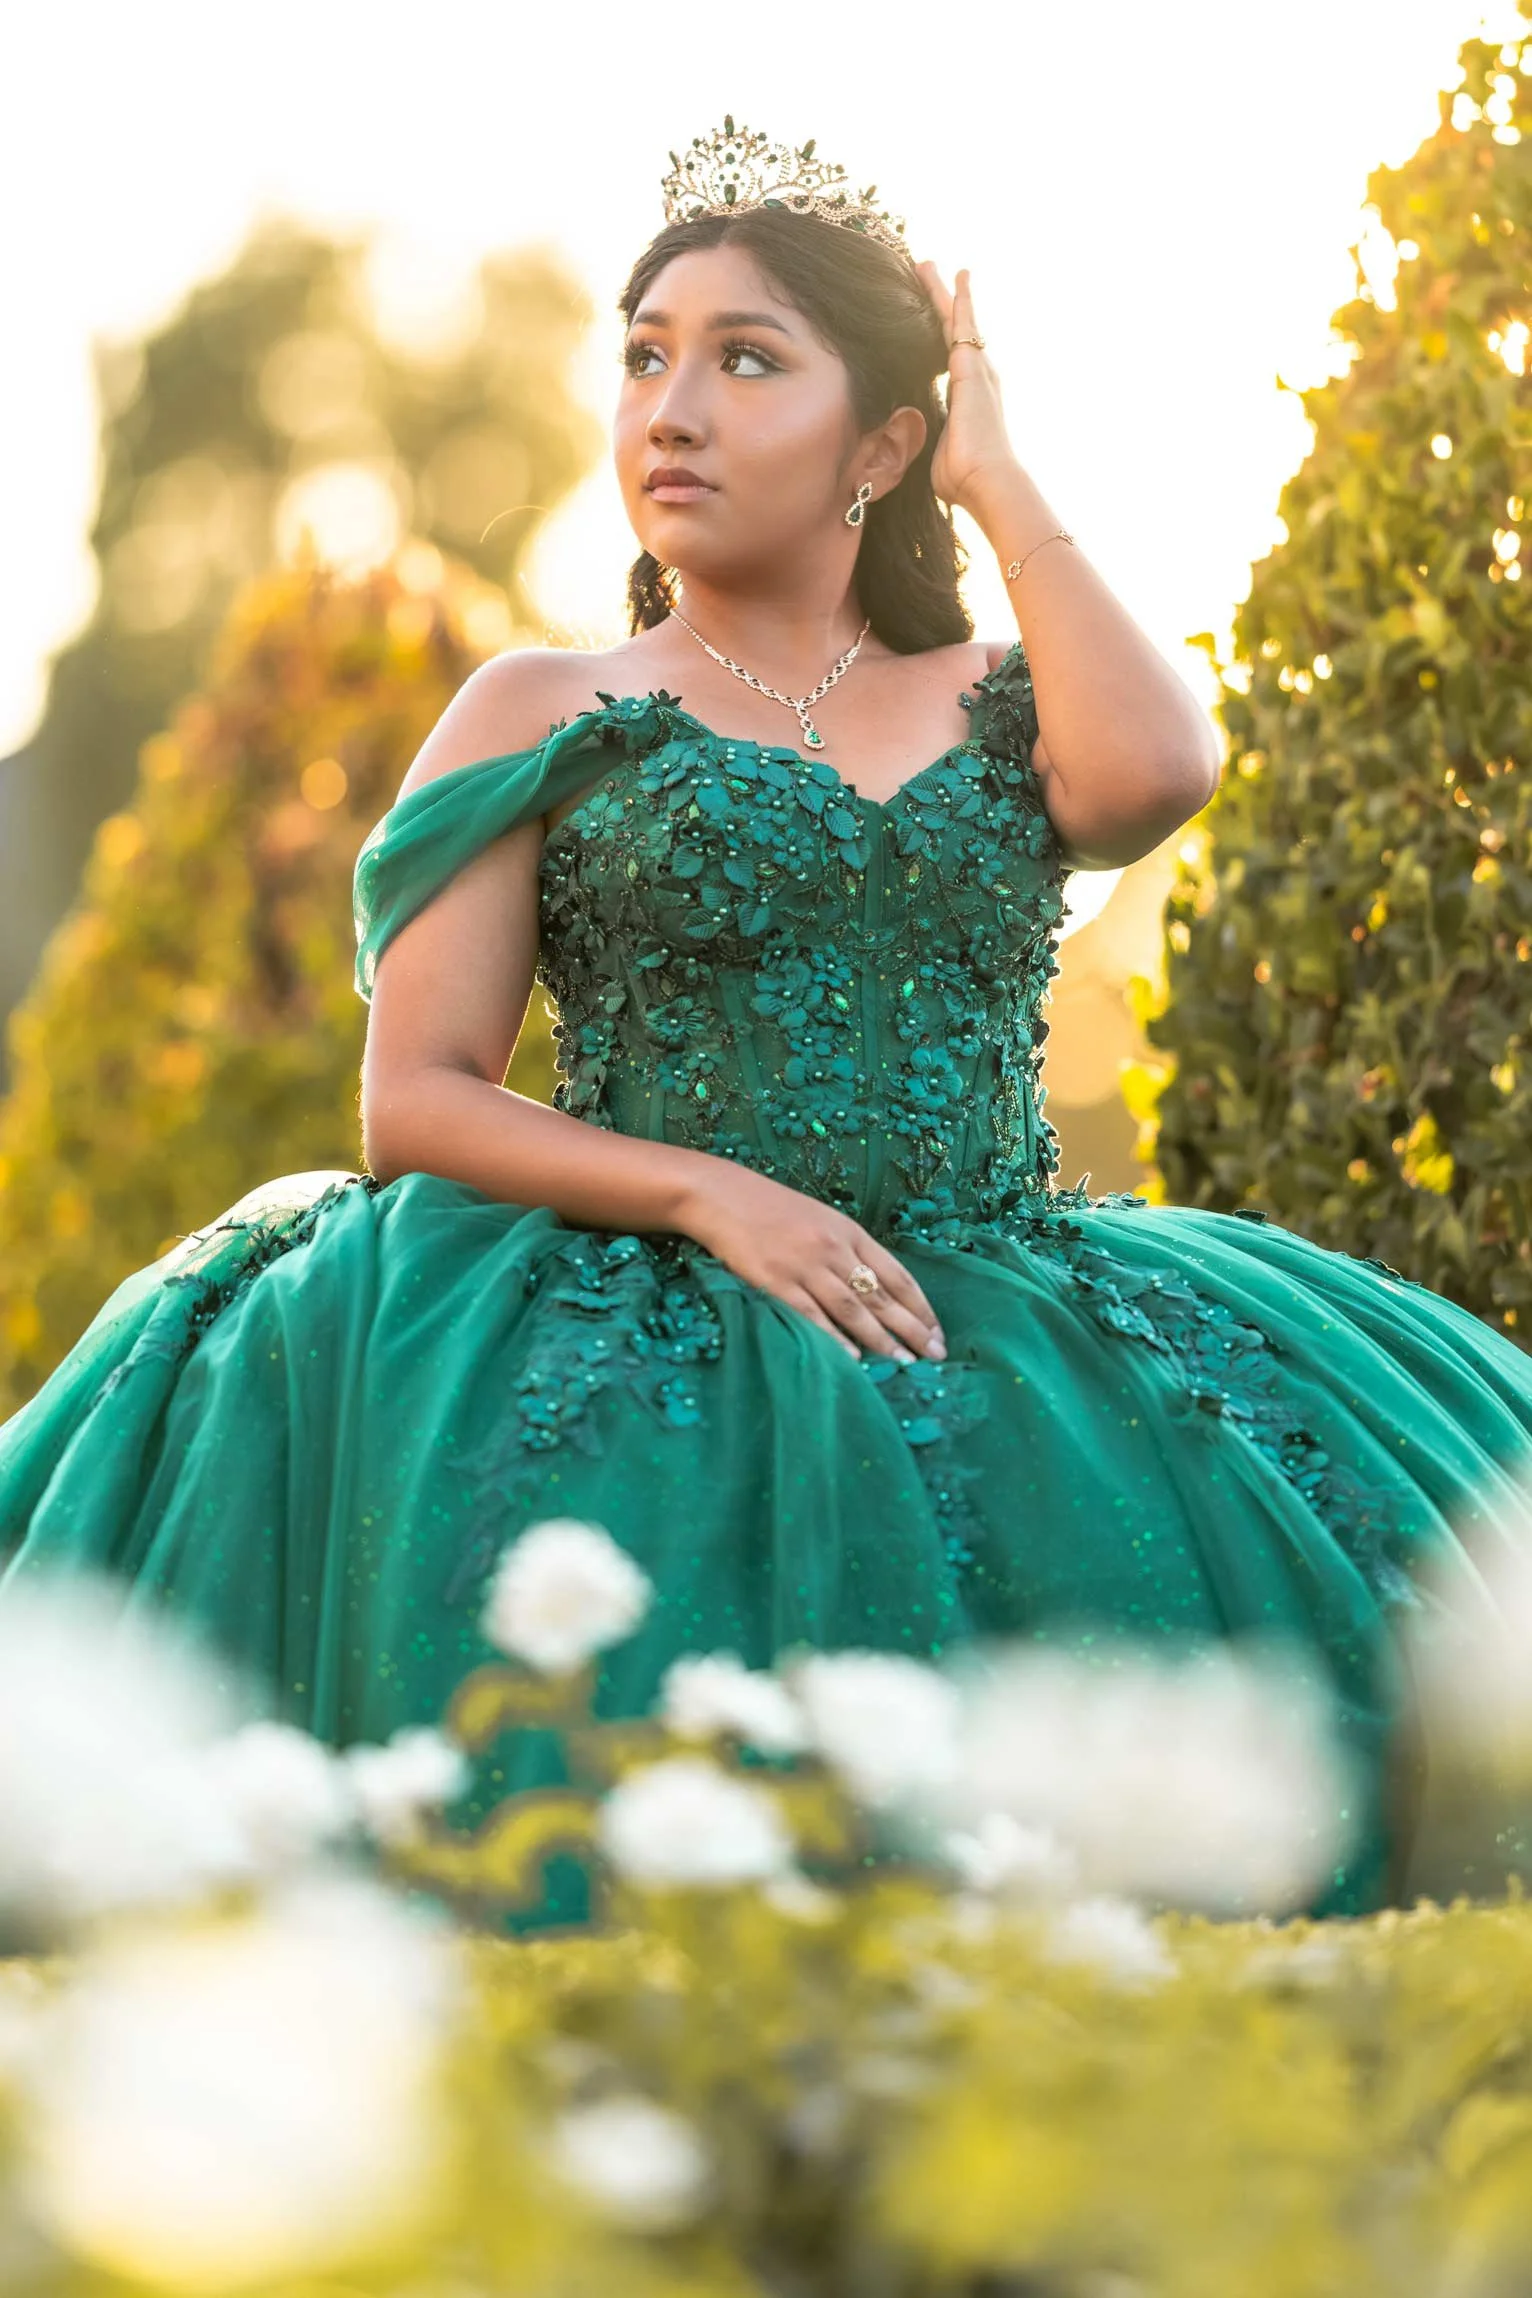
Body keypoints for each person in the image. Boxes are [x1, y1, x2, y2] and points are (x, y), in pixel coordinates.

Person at [3, 119, 1531, 1928]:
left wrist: (1000, 476)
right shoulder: (542, 706)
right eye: (645, 355)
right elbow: (414, 1099)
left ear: (883, 440)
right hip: (625, 1304)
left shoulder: (994, 693)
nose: (673, 406)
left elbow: (1156, 774)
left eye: (746, 360)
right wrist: (711, 1197)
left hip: (997, 1280)